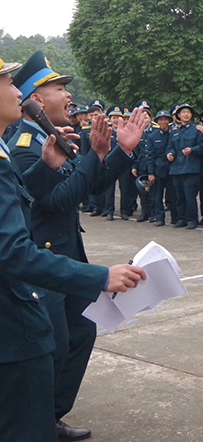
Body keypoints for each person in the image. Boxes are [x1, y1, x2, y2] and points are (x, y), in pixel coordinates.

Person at [0, 57, 146, 442]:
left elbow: (90, 189)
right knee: (49, 350)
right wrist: (101, 276)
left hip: (60, 259)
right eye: (58, 88)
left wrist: (111, 154)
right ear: (35, 98)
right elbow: (59, 202)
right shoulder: (24, 144)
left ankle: (49, 416)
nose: (68, 95)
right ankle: (39, 418)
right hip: (39, 269)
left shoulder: (47, 138)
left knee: (77, 335)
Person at [166, 103, 203, 229]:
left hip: (190, 168)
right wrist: (170, 154)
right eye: (183, 112)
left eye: (188, 112)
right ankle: (181, 219)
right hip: (176, 168)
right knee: (179, 197)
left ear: (191, 115)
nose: (186, 114)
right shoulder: (174, 131)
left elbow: (202, 147)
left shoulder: (196, 130)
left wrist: (192, 150)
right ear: (178, 115)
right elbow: (170, 147)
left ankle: (192, 220)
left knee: (190, 197)